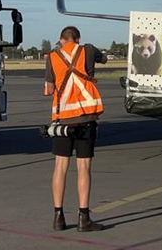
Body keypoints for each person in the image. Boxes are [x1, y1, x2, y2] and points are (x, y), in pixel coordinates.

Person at [43, 26, 107, 232]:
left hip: (63, 121)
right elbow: (103, 58)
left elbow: (49, 90)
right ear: (77, 39)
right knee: (83, 168)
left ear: (61, 40)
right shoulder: (87, 50)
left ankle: (58, 216)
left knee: (60, 167)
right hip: (85, 118)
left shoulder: (52, 57)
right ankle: (84, 217)